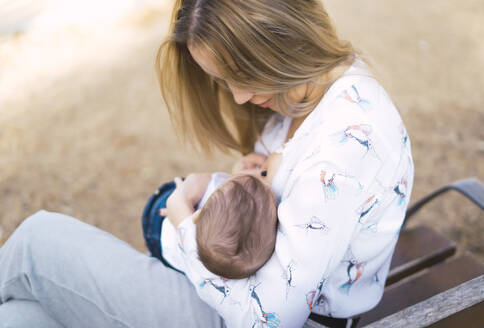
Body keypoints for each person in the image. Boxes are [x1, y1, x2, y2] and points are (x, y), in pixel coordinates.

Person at [0, 0, 414, 327]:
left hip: (251, 315)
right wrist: (242, 185)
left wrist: (184, 223)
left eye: (241, 74)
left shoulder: (348, 142)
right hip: (235, 295)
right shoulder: (307, 92)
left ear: (282, 39)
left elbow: (266, 321)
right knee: (19, 319)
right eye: (222, 81)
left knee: (37, 241)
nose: (235, 97)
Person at [154, 170, 279, 279]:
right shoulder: (236, 267)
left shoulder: (214, 188)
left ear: (197, 216)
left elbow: (197, 179)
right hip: (174, 260)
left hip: (160, 227)